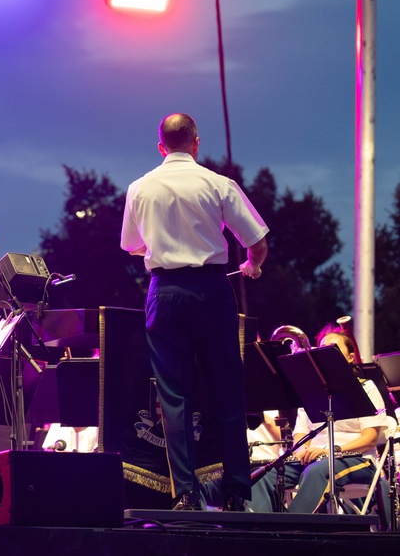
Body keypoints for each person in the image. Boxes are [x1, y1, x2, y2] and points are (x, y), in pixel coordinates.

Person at [120, 112, 269, 512]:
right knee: (227, 389)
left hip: (164, 292)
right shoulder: (218, 184)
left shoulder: (139, 187)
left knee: (174, 395)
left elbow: (133, 245)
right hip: (211, 289)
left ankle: (184, 492)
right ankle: (236, 491)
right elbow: (257, 239)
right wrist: (253, 265)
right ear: (196, 143)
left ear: (161, 147)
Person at [249, 331, 391, 513]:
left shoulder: (366, 388)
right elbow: (301, 433)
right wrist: (302, 450)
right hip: (315, 459)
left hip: (358, 459)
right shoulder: (309, 390)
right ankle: (260, 529)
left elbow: (370, 439)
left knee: (316, 471)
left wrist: (328, 451)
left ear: (349, 358)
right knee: (266, 474)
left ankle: (293, 530)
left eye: (333, 350)